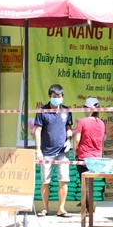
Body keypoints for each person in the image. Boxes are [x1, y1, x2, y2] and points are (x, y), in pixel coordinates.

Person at [34, 84, 73, 218]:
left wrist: (69, 140)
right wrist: (38, 149)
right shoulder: (42, 111)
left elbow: (69, 127)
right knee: (45, 181)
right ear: (50, 96)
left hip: (63, 152)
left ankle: (61, 209)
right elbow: (38, 131)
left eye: (60, 96)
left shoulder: (66, 110)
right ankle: (45, 208)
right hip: (46, 151)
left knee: (64, 180)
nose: (57, 99)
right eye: (55, 97)